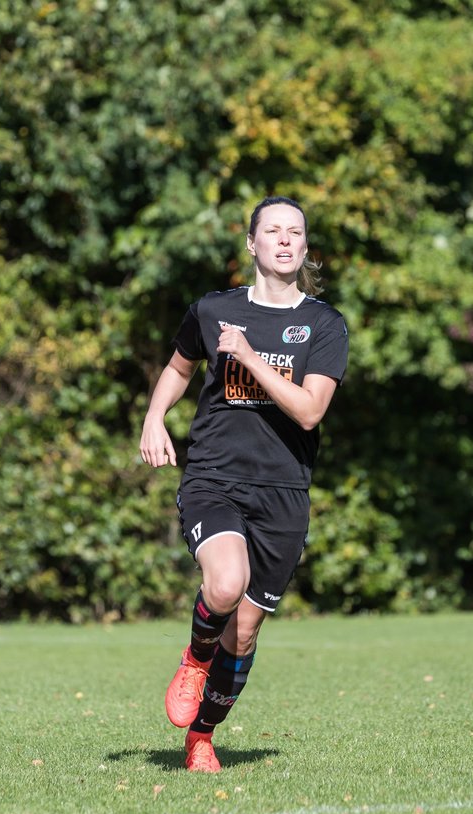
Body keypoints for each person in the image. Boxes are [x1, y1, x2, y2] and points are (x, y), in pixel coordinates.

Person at [139, 196, 349, 772]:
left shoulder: (326, 325)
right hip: (213, 476)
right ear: (251, 243)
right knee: (225, 584)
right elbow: (180, 367)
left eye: (296, 232)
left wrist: (251, 357)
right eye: (273, 231)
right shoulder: (212, 310)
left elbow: (309, 412)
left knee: (246, 632)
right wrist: (155, 417)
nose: (285, 240)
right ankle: (193, 656)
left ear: (305, 248)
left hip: (283, 492)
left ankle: (201, 736)